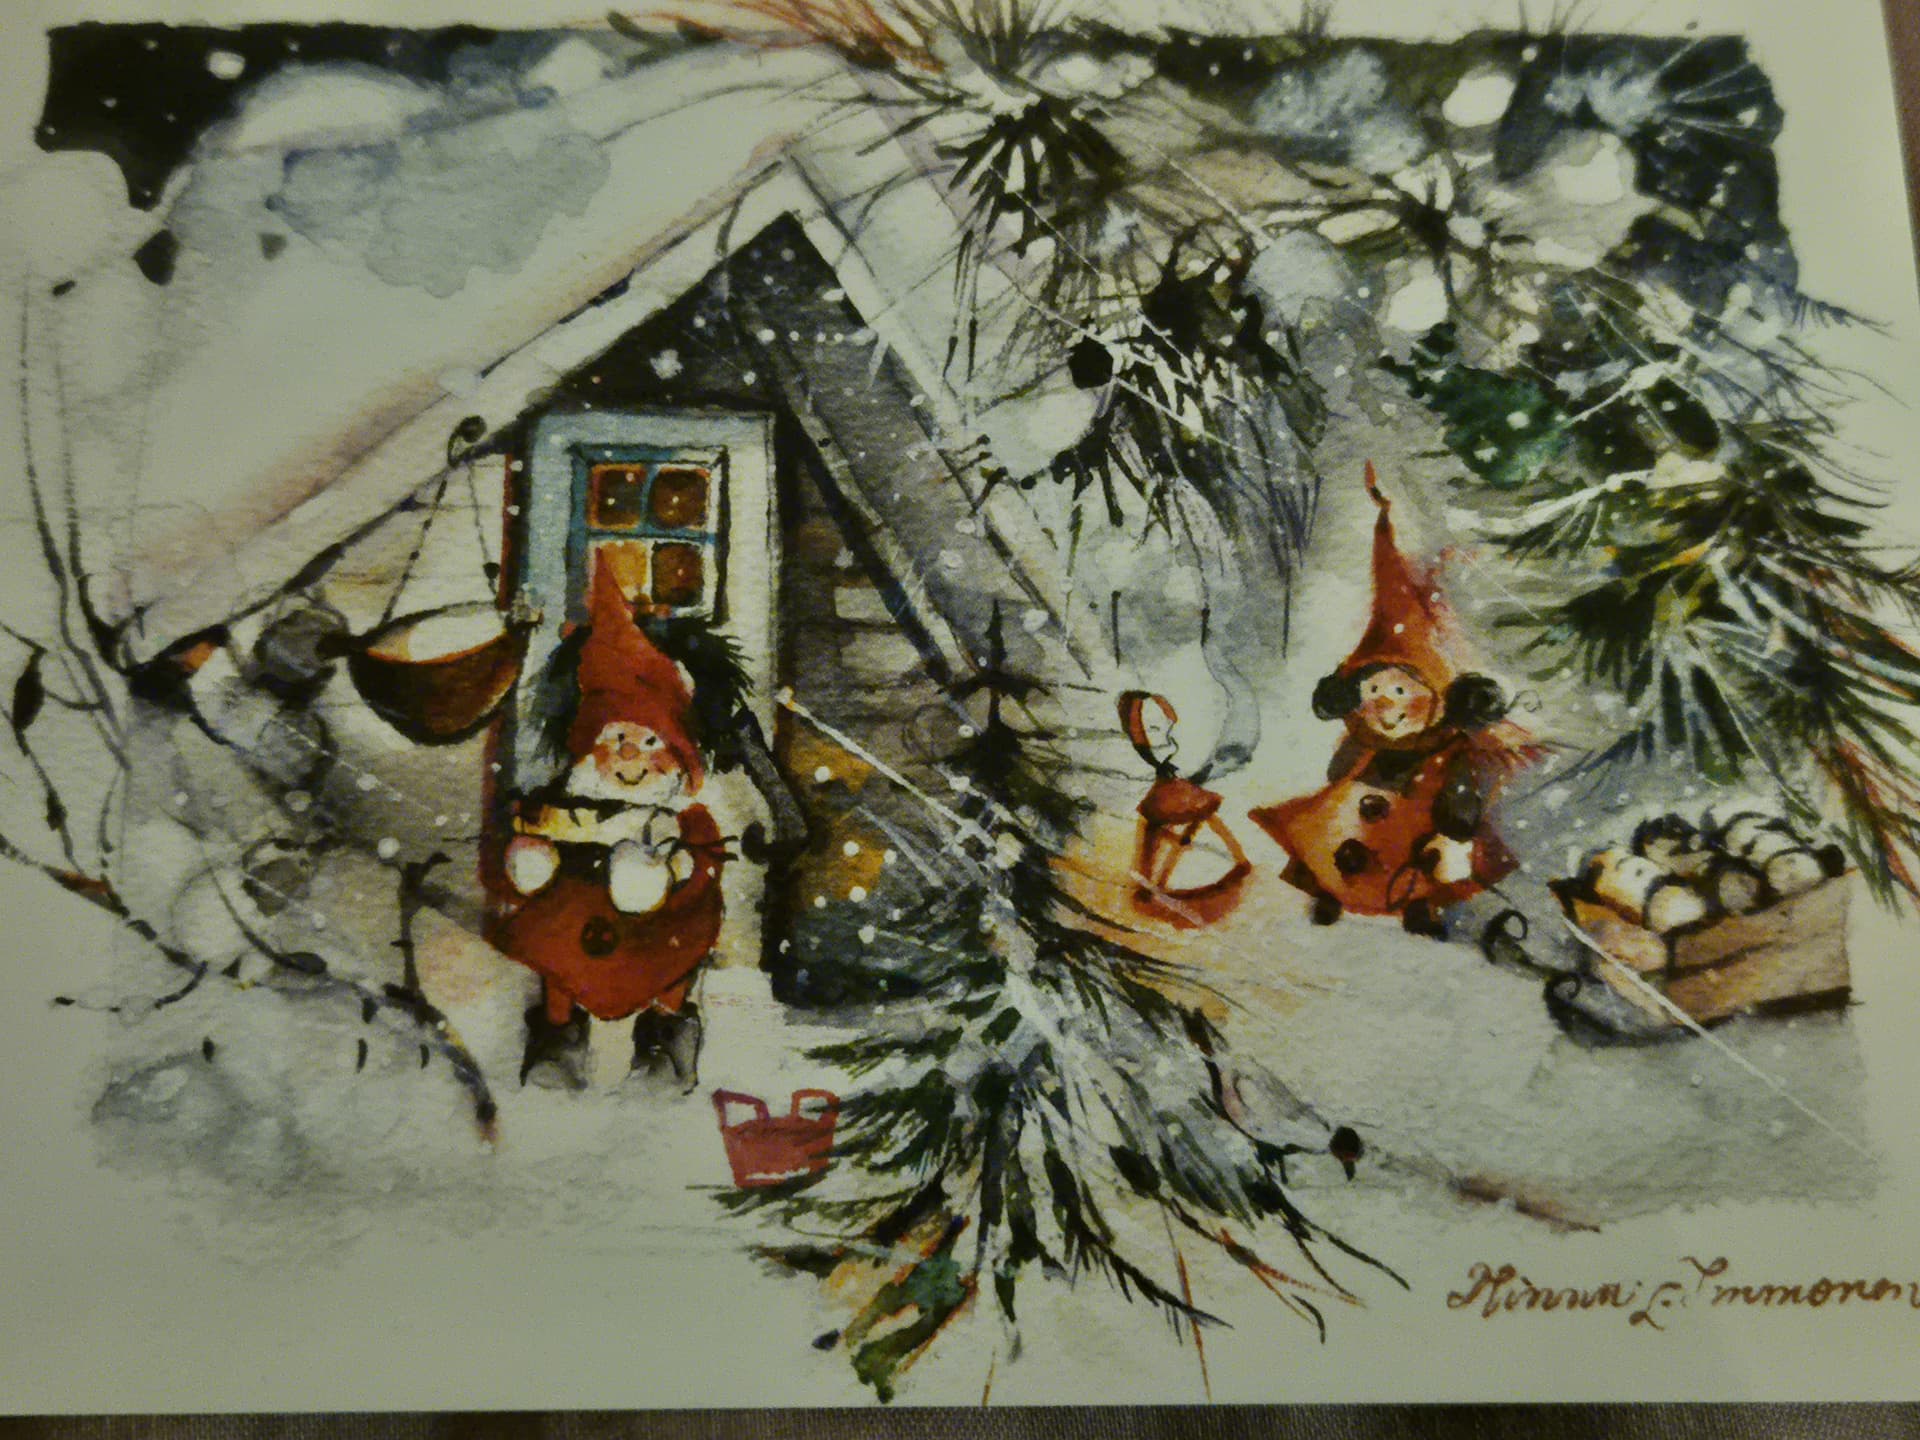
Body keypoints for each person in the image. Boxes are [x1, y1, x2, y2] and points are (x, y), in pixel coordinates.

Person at [1249, 463, 1529, 938]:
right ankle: (1331, 891)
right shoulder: (1364, 738)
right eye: (1373, 691)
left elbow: (1460, 797)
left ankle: (1418, 905)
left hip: (1412, 826)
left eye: (1399, 691)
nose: (1384, 705)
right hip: (1355, 817)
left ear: (1434, 696)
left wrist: (1456, 825)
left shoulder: (1446, 748)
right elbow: (1340, 771)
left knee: (1414, 859)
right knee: (1327, 839)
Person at [496, 559, 727, 1089]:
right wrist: (536, 856)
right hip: (581, 915)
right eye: (617, 740)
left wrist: (676, 874)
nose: (629, 756)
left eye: (648, 742)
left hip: (657, 926)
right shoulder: (564, 803)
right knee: (555, 943)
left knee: (671, 957)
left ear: (676, 753)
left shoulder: (683, 816)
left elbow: (705, 865)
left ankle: (666, 1037)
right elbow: (528, 840)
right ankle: (558, 1036)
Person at [1118, 690, 1251, 928]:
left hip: (1175, 791)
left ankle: (1238, 863)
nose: (1167, 736)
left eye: (1167, 727)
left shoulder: (1175, 762)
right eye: (1155, 729)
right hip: (1168, 793)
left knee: (1191, 817)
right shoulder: (1155, 765)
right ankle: (1153, 886)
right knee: (1158, 832)